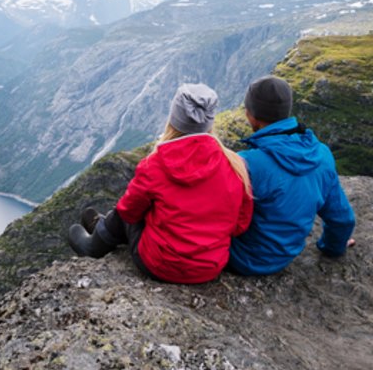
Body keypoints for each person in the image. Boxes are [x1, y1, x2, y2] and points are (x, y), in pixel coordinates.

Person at [68, 83, 253, 284]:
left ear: (173, 121)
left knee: (126, 210)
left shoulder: (155, 165)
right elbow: (240, 225)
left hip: (160, 266)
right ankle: (101, 228)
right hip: (209, 268)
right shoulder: (234, 166)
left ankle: (95, 244)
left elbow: (129, 212)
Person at [227, 75, 355, 275]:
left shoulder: (246, 163)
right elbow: (342, 219)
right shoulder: (321, 155)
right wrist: (333, 247)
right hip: (285, 257)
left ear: (250, 115)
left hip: (241, 258)